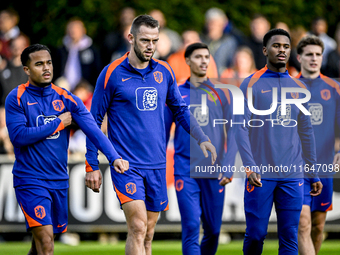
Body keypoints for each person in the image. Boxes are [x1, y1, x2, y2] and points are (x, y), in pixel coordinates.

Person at [85, 15, 217, 255]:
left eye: (154, 40)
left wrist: (202, 137)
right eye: (145, 40)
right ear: (131, 38)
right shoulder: (111, 73)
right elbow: (92, 121)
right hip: (125, 164)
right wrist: (91, 164)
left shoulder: (164, 71)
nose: (150, 46)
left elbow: (180, 110)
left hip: (156, 164)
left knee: (148, 233)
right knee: (137, 226)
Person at [5, 44, 129, 255]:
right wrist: (57, 124)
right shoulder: (16, 98)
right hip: (30, 180)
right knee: (47, 245)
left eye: (49, 63)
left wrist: (114, 157)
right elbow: (19, 137)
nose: (46, 68)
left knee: (40, 245)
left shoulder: (67, 98)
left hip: (59, 180)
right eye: (39, 64)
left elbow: (94, 130)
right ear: (26, 70)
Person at [235, 28, 323, 255]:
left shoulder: (300, 88)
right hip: (260, 174)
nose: (282, 50)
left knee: (290, 236)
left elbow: (306, 132)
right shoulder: (250, 83)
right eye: (276, 46)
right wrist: (250, 165)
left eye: (286, 46)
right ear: (265, 50)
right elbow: (240, 128)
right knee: (255, 235)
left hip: (292, 174)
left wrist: (312, 172)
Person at [165, 42, 236, 255]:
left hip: (214, 170)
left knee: (213, 230)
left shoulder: (222, 92)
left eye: (207, 57)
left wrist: (229, 164)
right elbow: (164, 130)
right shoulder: (176, 93)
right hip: (184, 169)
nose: (204, 61)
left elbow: (234, 132)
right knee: (191, 227)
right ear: (187, 61)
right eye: (198, 57)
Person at [295, 35, 340, 255]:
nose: (314, 58)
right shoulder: (288, 87)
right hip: (296, 166)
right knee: (302, 223)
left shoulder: (335, 88)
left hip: (323, 166)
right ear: (299, 57)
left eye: (318, 54)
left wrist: (338, 151)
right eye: (309, 54)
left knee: (317, 225)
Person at [53, 17, 102, 92]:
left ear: (83, 30)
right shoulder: (61, 50)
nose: (73, 31)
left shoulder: (92, 49)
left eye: (76, 28)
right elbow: (56, 70)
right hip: (65, 87)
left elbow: (97, 70)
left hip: (85, 87)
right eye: (71, 28)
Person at [201, 7, 238, 75]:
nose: (213, 26)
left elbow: (233, 64)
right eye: (211, 22)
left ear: (223, 24)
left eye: (217, 23)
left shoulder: (230, 42)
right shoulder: (200, 40)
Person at [0, 33, 30, 106]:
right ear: (9, 47)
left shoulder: (31, 69)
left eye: (21, 46)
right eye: (14, 46)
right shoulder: (3, 68)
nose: (17, 48)